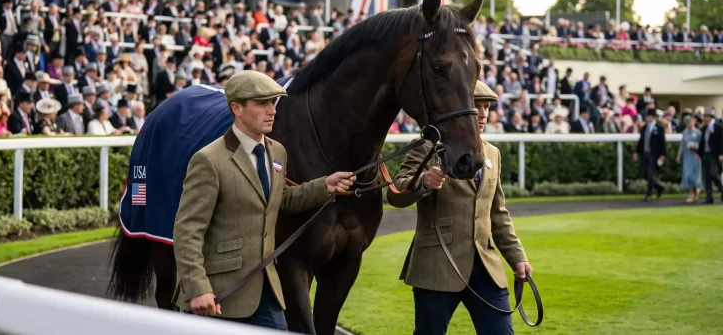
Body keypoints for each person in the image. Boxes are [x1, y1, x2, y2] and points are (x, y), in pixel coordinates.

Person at [172, 70, 357, 330]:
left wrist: (324, 186)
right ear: (236, 108)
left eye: (273, 102)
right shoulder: (208, 160)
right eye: (261, 103)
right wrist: (198, 287)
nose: (272, 110)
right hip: (220, 296)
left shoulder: (276, 151)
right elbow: (187, 230)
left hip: (268, 289)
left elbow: (279, 199)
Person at [389, 80, 532, 335]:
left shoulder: (493, 153)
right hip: (437, 266)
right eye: (477, 106)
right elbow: (395, 194)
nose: (483, 113)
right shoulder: (427, 145)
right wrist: (423, 181)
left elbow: (498, 214)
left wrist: (517, 257)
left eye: (487, 107)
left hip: (486, 268)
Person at [633, 108, 666, 201]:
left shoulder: (659, 128)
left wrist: (662, 154)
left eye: (648, 116)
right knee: (644, 173)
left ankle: (649, 194)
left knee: (650, 174)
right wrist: (636, 152)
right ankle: (658, 186)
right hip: (645, 153)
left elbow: (662, 142)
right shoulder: (644, 128)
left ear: (652, 117)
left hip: (654, 154)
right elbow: (641, 141)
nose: (646, 118)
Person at [697, 109, 723, 204]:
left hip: (714, 154)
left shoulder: (718, 127)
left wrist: (721, 153)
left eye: (705, 116)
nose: (704, 118)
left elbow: (721, 141)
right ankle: (709, 197)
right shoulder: (704, 128)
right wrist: (699, 153)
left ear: (709, 117)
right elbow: (702, 142)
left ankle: (721, 188)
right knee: (707, 176)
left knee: (713, 173)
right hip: (705, 154)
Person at [676, 115, 702, 203]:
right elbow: (682, 144)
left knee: (695, 175)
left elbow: (701, 144)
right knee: (687, 175)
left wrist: (696, 147)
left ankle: (696, 192)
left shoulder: (698, 132)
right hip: (687, 156)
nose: (689, 124)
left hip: (696, 155)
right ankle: (691, 193)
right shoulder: (685, 132)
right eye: (687, 123)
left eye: (690, 122)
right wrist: (679, 155)